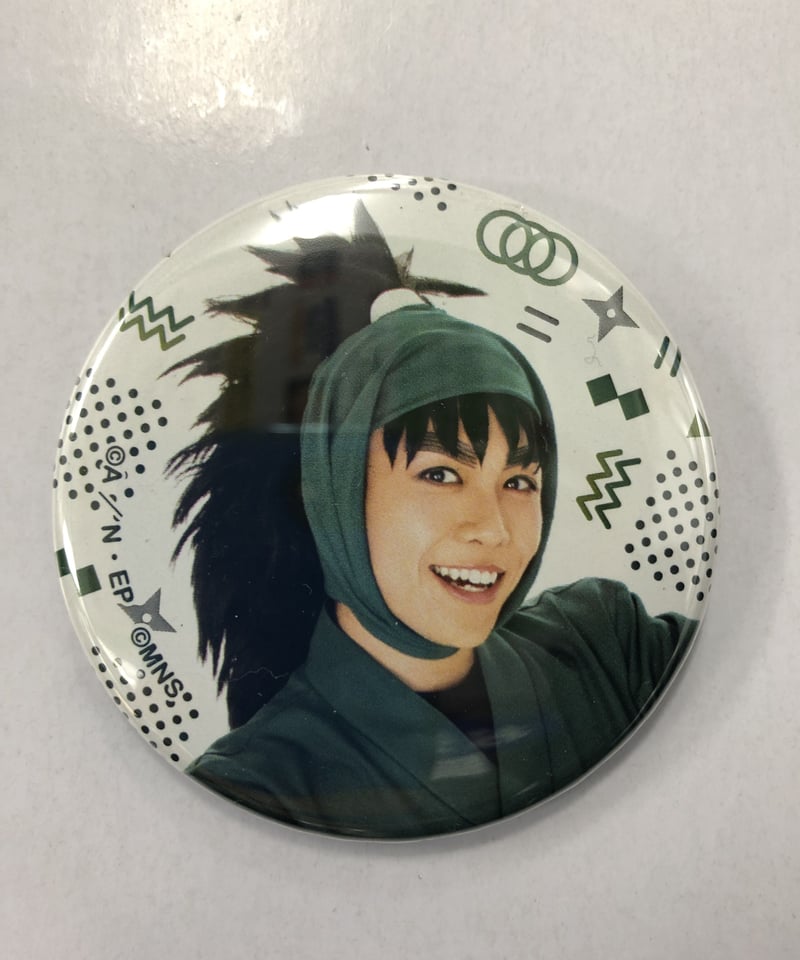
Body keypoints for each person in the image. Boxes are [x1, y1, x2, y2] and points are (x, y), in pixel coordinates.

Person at [169, 211, 694, 838]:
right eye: (441, 474)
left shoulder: (609, 646)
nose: (494, 529)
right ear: (337, 494)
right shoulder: (253, 787)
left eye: (519, 481)